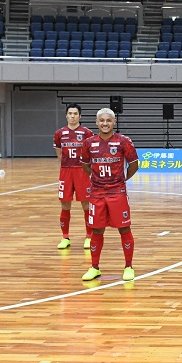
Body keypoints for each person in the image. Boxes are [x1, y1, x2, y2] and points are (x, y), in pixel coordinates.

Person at [79, 108, 139, 282]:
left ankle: (128, 266)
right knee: (97, 229)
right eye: (102, 120)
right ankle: (94, 267)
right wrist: (94, 177)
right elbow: (85, 165)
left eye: (108, 120)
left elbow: (134, 164)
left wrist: (122, 179)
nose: (105, 123)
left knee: (124, 228)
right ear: (96, 123)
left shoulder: (124, 141)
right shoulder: (89, 143)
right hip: (97, 193)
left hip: (117, 192)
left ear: (114, 122)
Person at [54, 103, 94, 251]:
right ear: (66, 115)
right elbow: (59, 153)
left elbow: (91, 153)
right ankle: (65, 237)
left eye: (75, 114)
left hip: (82, 171)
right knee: (65, 204)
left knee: (86, 204)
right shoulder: (59, 133)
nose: (72, 116)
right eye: (70, 113)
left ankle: (89, 236)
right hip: (66, 171)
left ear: (80, 116)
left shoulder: (87, 133)